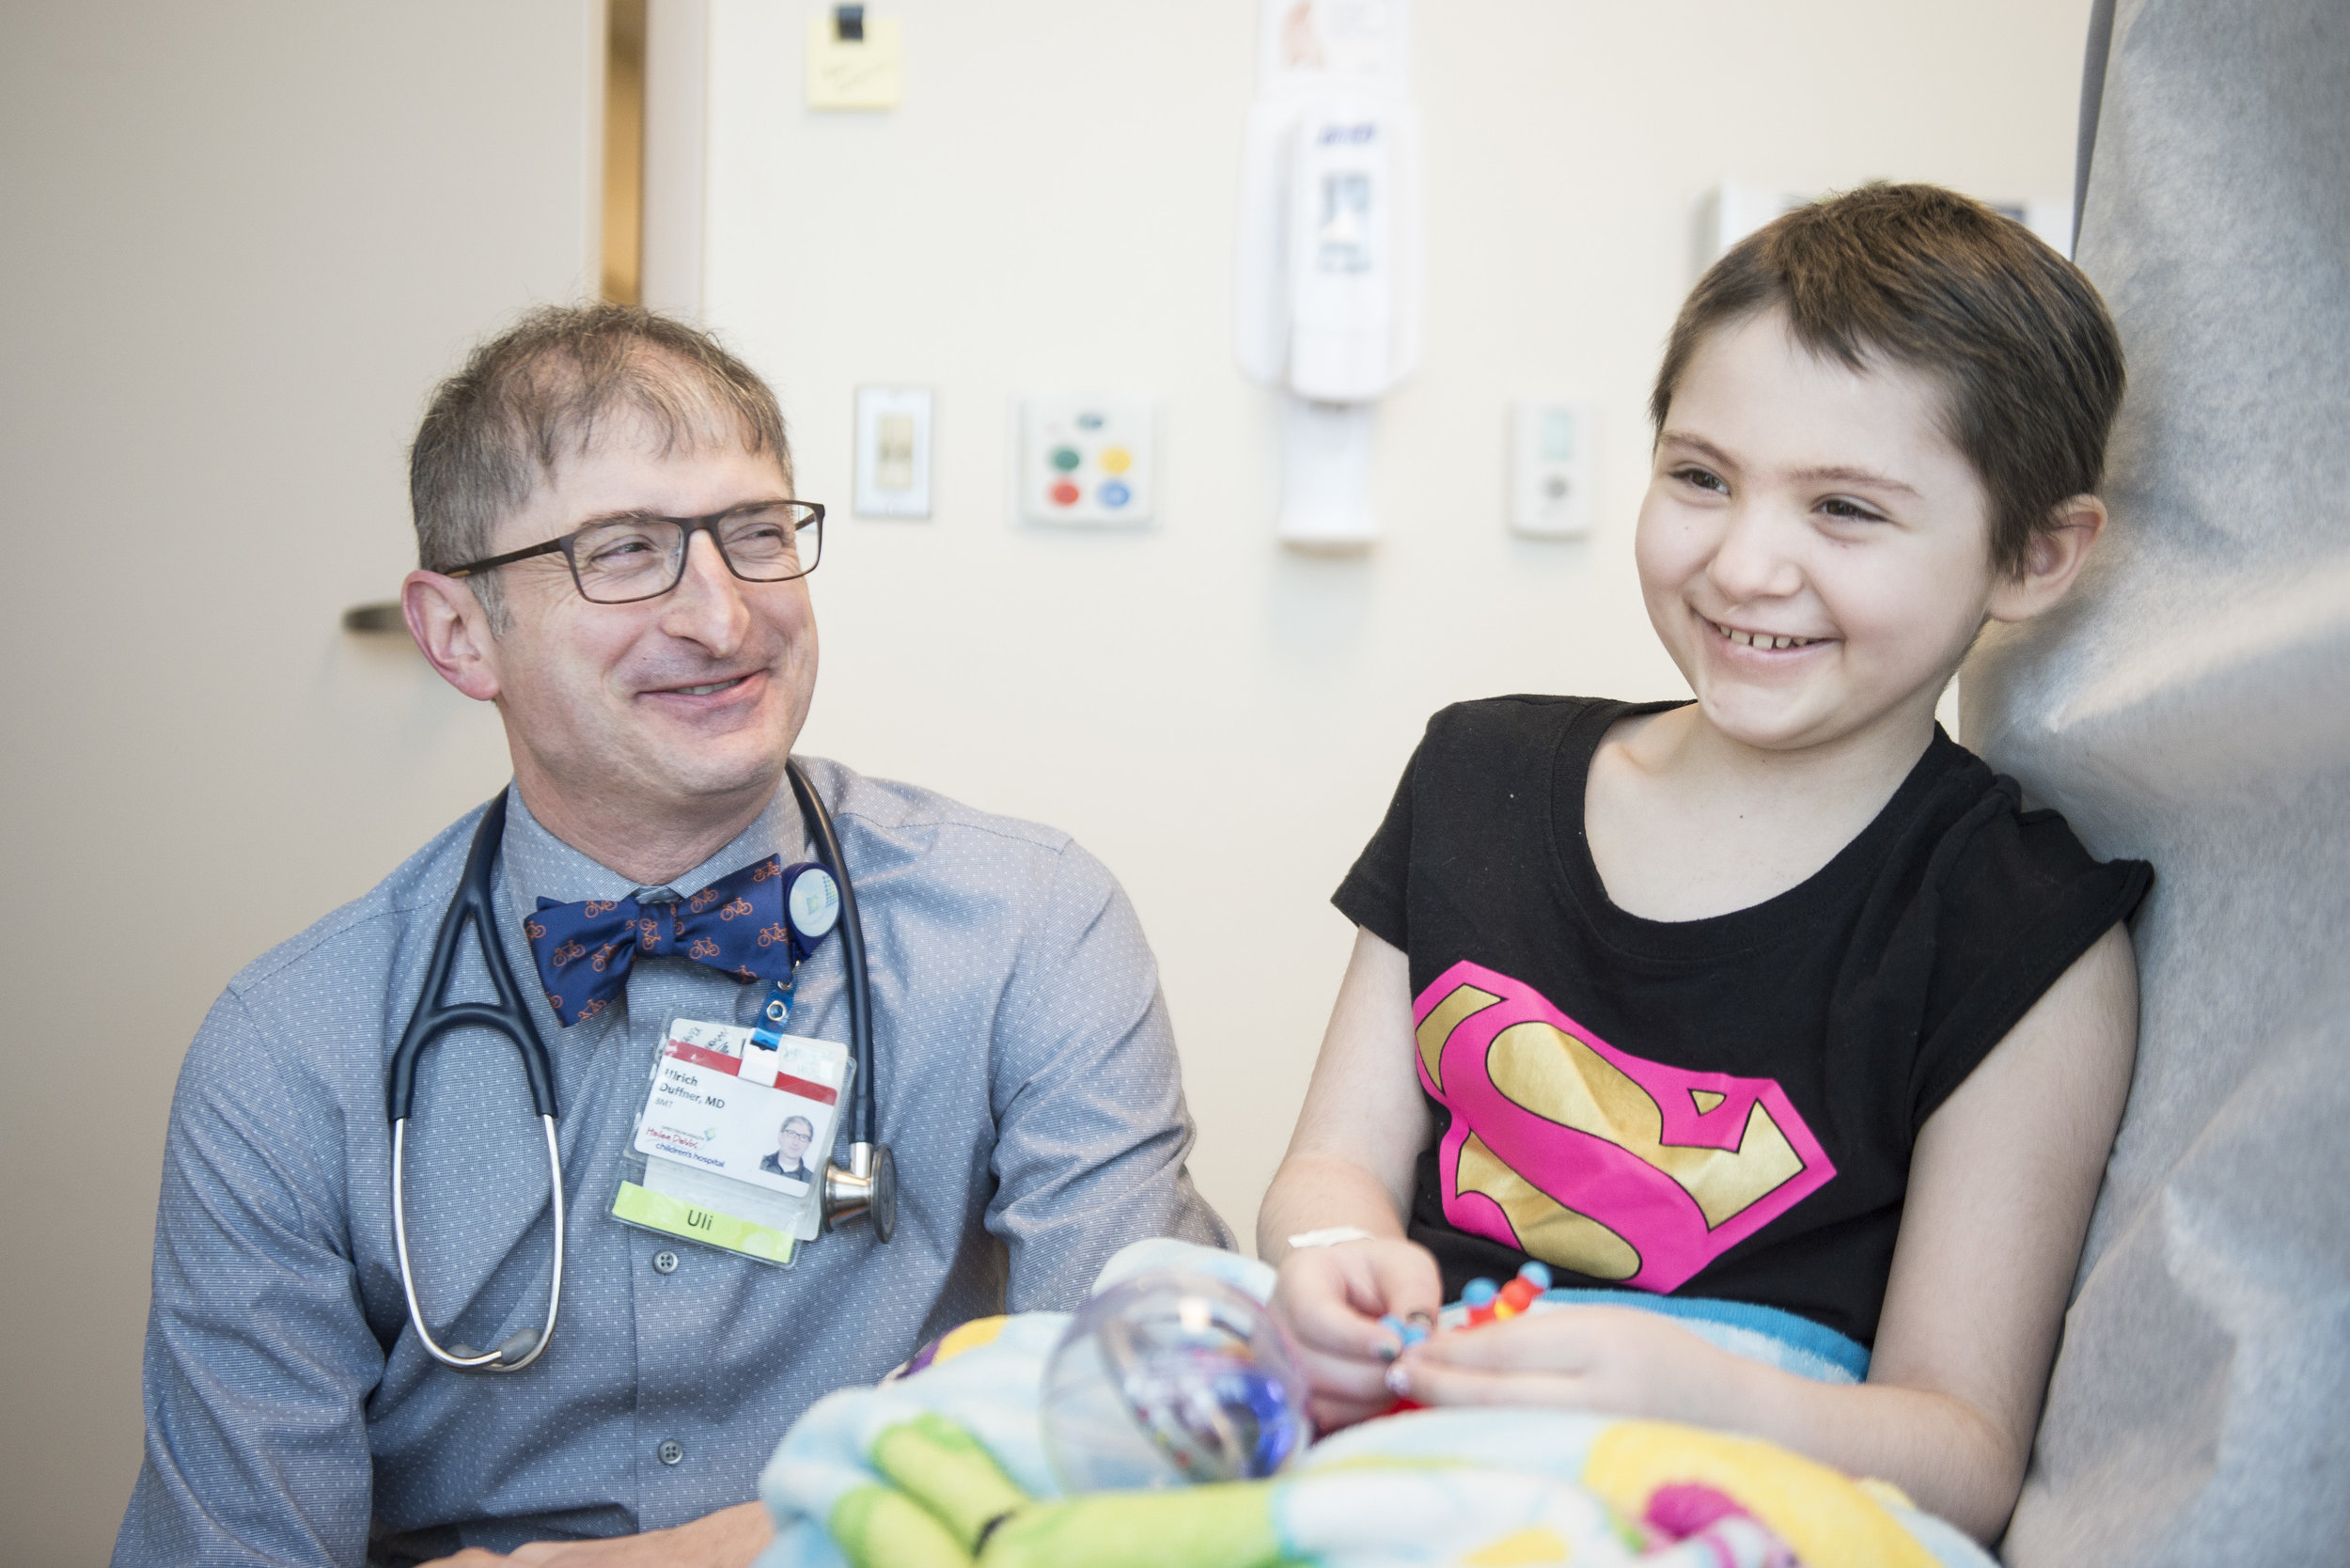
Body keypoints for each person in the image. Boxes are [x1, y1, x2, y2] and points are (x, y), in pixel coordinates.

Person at [116, 305, 1230, 1568]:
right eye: (625, 552)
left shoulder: (1027, 926)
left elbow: (1158, 1426)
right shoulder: (290, 1053)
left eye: (757, 534)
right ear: (457, 632)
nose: (724, 615)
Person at [1258, 184, 2150, 1543]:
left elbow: (1962, 1453)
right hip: (1410, 1422)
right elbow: (1331, 1170)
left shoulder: (2018, 929)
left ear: (2033, 556)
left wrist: (1695, 1394)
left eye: (1845, 509)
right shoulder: (1474, 777)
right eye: (1700, 478)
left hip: (1740, 1484)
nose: (1745, 564)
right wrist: (1332, 1261)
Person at [760, 1116, 817, 1185]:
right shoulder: (760, 1163)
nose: (796, 1142)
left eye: (803, 1137)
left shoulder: (811, 1181)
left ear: (808, 1144)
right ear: (780, 1135)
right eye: (792, 1133)